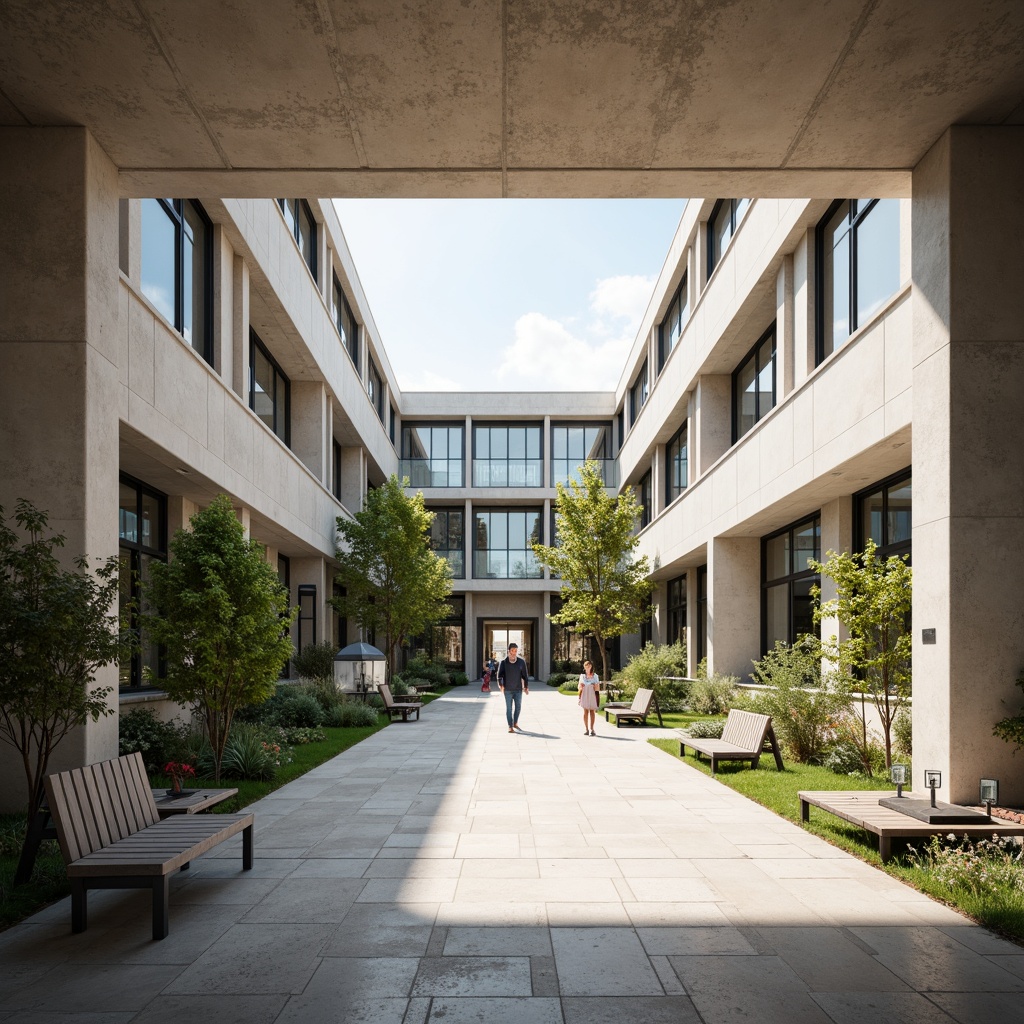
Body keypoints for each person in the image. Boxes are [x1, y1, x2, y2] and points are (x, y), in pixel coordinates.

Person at [497, 642, 529, 733]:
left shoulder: (521, 662)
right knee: (509, 708)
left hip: (518, 690)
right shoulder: (503, 663)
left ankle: (515, 722)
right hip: (507, 690)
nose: (514, 652)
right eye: (512, 651)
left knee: (518, 707)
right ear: (508, 651)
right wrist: (501, 685)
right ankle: (510, 726)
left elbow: (525, 676)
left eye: (515, 651)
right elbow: (499, 676)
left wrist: (526, 687)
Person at [578, 660, 600, 736]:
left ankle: (592, 729)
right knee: (585, 712)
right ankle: (586, 729)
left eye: (589, 665)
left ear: (591, 666)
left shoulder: (595, 676)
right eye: (586, 665)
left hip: (592, 694)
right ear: (584, 667)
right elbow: (580, 685)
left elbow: (597, 685)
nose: (588, 667)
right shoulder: (582, 676)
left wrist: (594, 685)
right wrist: (582, 686)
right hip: (585, 694)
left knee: (592, 712)